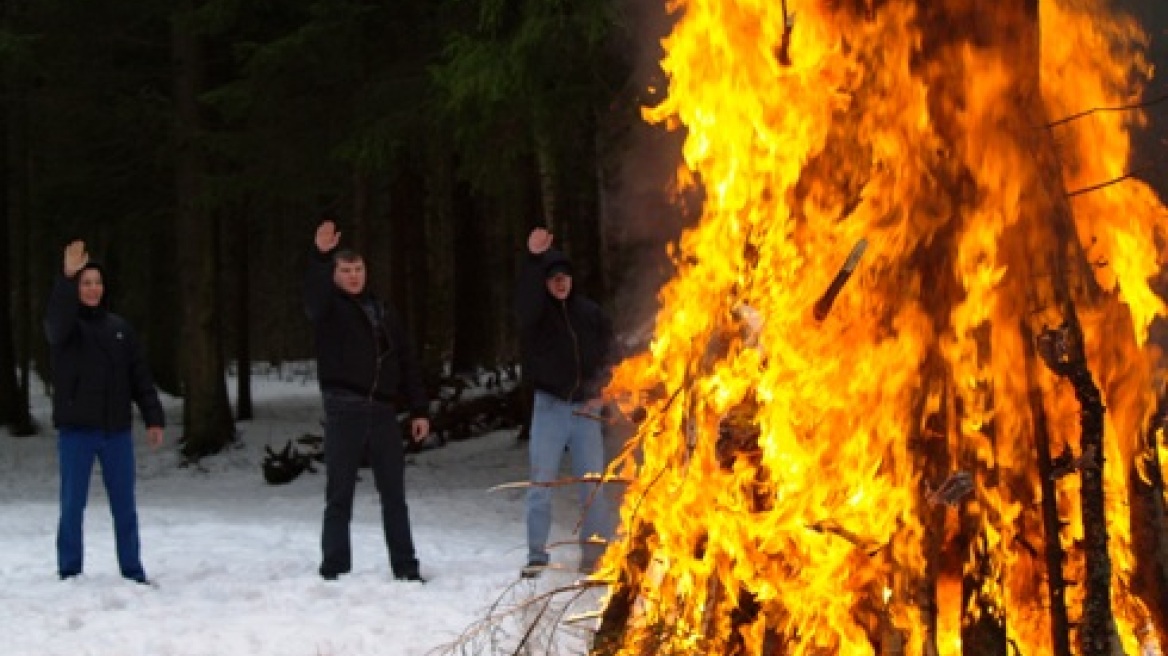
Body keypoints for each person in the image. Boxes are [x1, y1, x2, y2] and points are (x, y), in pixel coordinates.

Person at [304, 219, 431, 582]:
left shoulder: (383, 309)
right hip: (344, 407)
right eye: (346, 270)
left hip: (383, 410)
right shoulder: (328, 308)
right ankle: (334, 569)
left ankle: (406, 568)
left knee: (394, 495)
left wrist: (419, 409)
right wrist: (320, 255)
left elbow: (406, 359)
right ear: (335, 275)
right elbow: (313, 297)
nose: (354, 276)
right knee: (339, 493)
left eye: (358, 269)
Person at [44, 240, 166, 584]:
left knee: (125, 506)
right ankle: (70, 571)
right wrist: (66, 277)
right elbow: (55, 322)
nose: (93, 288)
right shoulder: (66, 328)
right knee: (72, 505)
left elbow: (139, 376)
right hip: (77, 432)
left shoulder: (120, 329)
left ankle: (132, 571)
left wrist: (153, 417)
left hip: (116, 432)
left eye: (97, 282)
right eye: (86, 283)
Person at [515, 226, 616, 578]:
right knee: (541, 484)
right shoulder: (537, 315)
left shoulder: (590, 314)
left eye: (565, 277)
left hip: (586, 409)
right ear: (545, 282)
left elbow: (611, 354)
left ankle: (595, 554)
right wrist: (533, 260)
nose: (560, 283)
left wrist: (603, 392)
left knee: (593, 484)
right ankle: (536, 555)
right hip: (550, 408)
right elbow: (525, 299)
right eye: (553, 278)